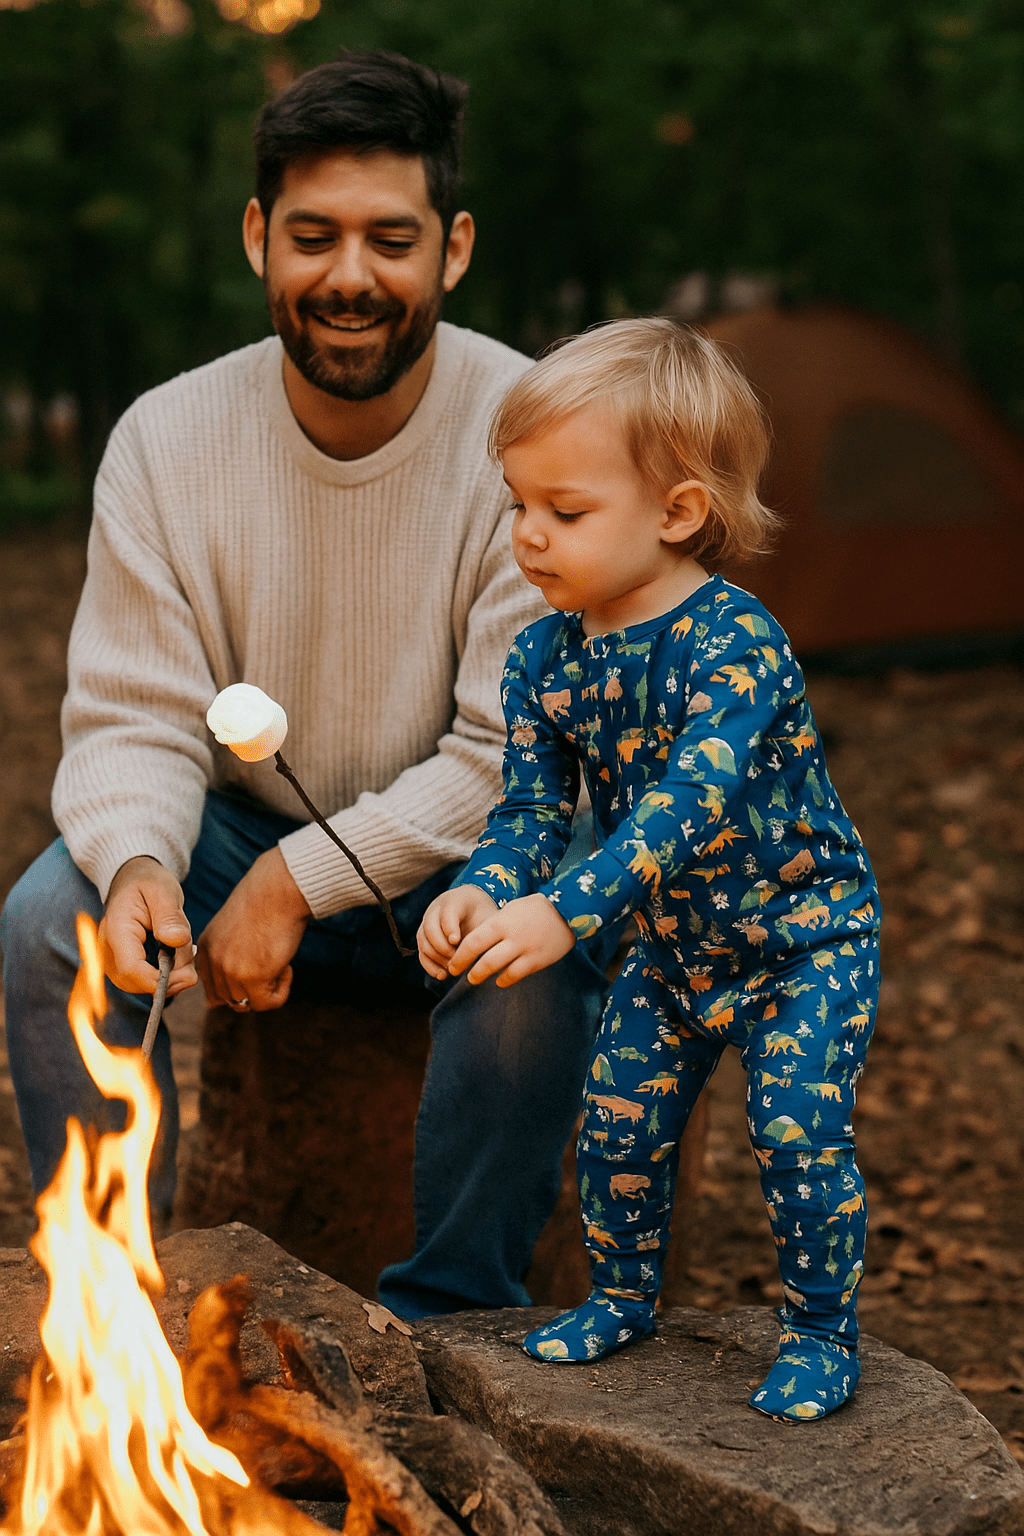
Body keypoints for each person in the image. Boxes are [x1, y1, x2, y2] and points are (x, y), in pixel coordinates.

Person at [0, 51, 621, 1318]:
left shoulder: (531, 433)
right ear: (257, 240)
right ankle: (116, 1313)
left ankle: (453, 1326)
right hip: (236, 844)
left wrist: (300, 884)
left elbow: (514, 755)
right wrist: (140, 871)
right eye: (313, 236)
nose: (349, 277)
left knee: (536, 950)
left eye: (389, 239)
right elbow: (135, 716)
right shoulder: (166, 441)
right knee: (42, 916)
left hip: (466, 860)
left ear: (450, 248)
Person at [418, 318, 881, 1421]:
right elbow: (533, 807)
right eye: (517, 504)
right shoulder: (543, 655)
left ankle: (821, 1329)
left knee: (793, 1126)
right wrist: (487, 882)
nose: (527, 537)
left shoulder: (737, 645)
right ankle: (621, 1295)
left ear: (677, 513)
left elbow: (684, 805)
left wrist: (562, 915)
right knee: (619, 1119)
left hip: (802, 942)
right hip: (672, 951)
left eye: (564, 512)